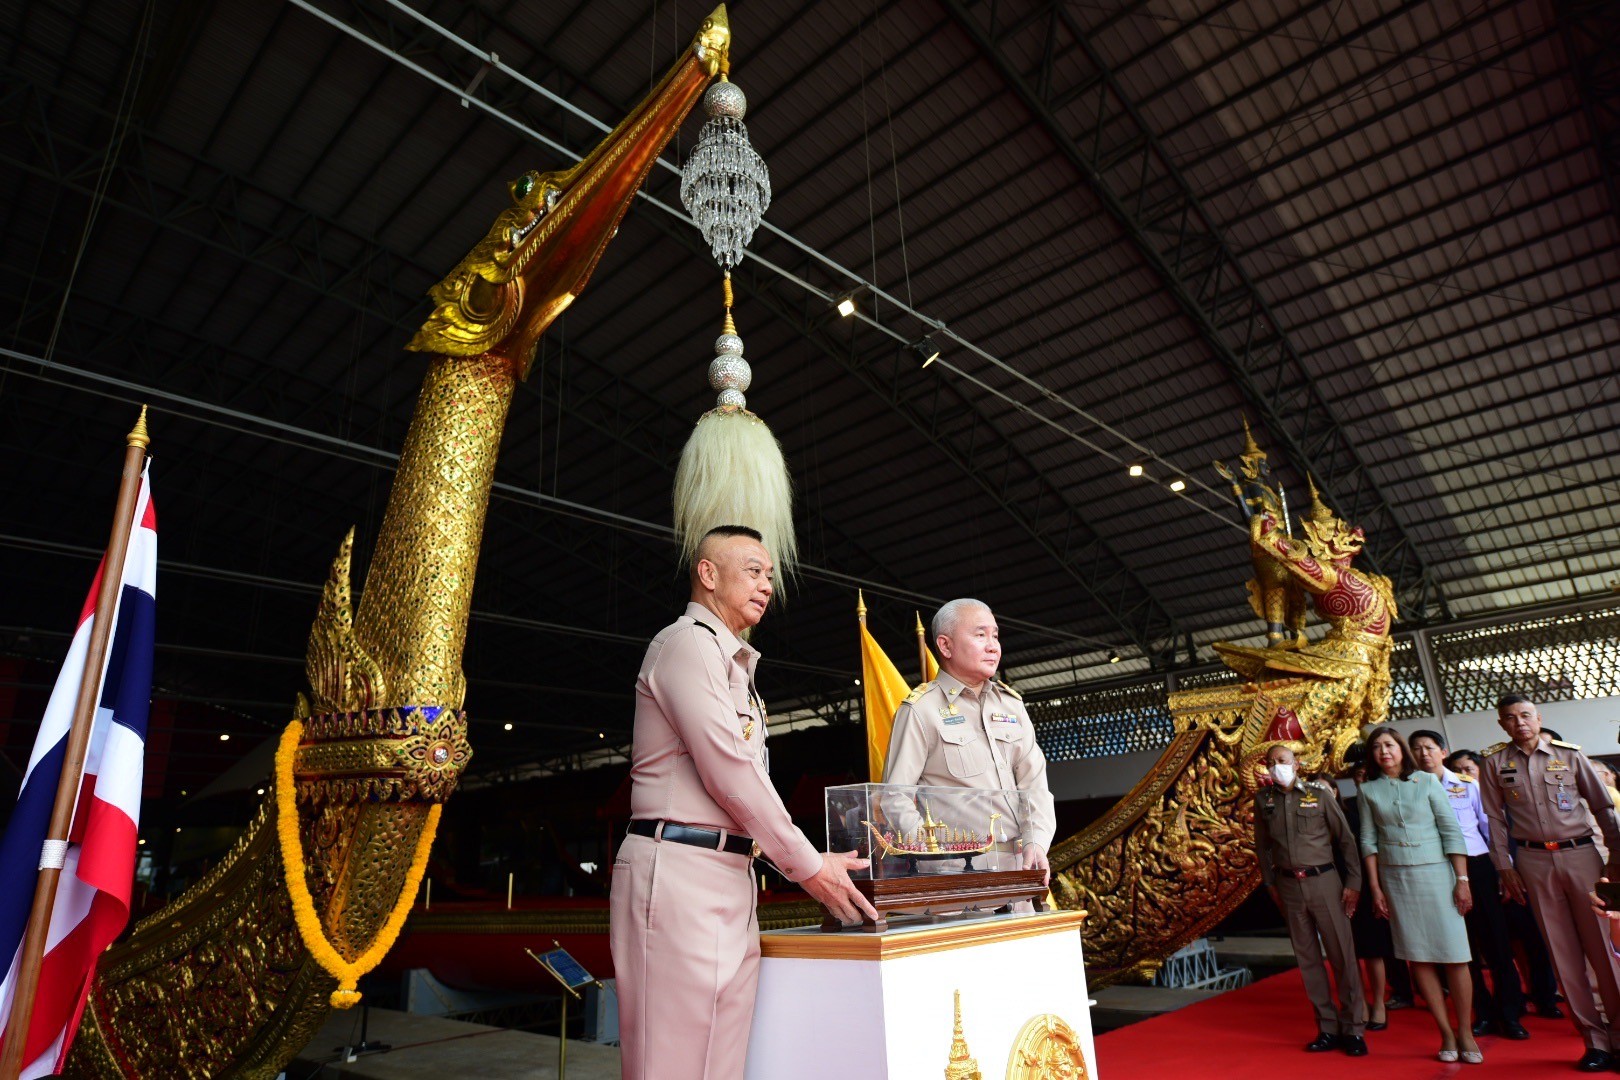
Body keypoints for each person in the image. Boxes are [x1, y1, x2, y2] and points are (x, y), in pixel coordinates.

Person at [610, 526, 878, 1080]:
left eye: (770, 576)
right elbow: (729, 770)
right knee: (674, 1061)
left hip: (732, 872)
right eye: (753, 571)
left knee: (721, 1060)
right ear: (708, 574)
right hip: (678, 868)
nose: (766, 586)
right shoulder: (685, 643)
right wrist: (808, 866)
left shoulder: (733, 662)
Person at [1480, 694, 1620, 1072]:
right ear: (1502, 725)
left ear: (1538, 717)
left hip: (1582, 857)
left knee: (1604, 950)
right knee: (1562, 954)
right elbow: (1493, 820)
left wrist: (1617, 857)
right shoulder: (1494, 763)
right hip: (1533, 862)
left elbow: (1603, 807)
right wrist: (1503, 866)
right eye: (1510, 718)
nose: (1519, 722)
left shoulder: (1570, 755)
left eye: (1525, 715)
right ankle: (1594, 1041)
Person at [882, 599, 1054, 882]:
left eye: (995, 635)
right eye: (980, 635)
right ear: (945, 646)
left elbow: (1034, 784)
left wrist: (1037, 842)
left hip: (1020, 868)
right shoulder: (920, 709)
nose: (992, 645)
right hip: (957, 874)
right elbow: (894, 797)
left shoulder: (1011, 706)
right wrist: (934, 856)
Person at [1359, 726, 1479, 1064]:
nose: (1384, 751)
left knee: (1455, 955)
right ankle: (1445, 1032)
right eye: (1377, 747)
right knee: (1418, 957)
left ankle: (1466, 1031)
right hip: (1396, 880)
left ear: (1401, 749)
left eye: (1390, 745)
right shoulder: (1368, 790)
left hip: (1438, 875)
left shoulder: (1427, 782)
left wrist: (1462, 879)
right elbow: (1368, 842)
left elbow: (1450, 831)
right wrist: (1375, 887)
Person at [1410, 729, 1530, 1040]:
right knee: (1461, 949)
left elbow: (1490, 828)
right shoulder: (1410, 789)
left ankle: (1511, 1013)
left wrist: (1504, 871)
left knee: (1496, 943)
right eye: (1417, 749)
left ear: (1442, 751)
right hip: (1438, 872)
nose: (1423, 754)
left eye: (1429, 747)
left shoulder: (1467, 785)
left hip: (1478, 867)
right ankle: (1483, 1013)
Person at [1255, 743, 1368, 1055]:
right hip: (1289, 885)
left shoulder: (1318, 795)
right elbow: (1262, 847)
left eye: (1282, 760)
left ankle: (1354, 1028)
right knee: (1308, 960)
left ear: (1297, 763)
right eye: (1271, 762)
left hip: (1325, 882)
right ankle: (1327, 1027)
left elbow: (1346, 840)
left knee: (1342, 956)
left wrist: (1354, 882)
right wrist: (1269, 883)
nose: (1277, 766)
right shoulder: (1263, 800)